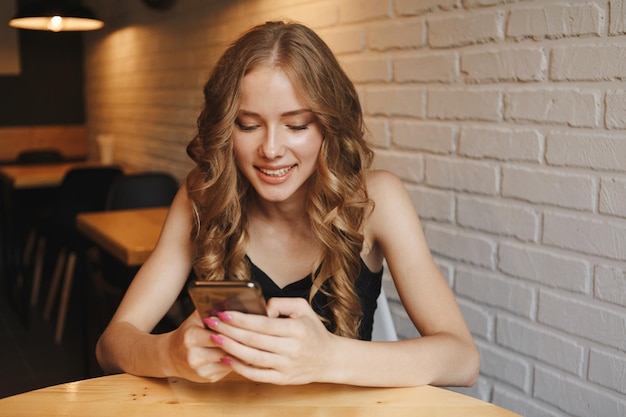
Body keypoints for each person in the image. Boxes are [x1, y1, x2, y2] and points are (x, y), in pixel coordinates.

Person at [96, 20, 479, 387]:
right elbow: (110, 345)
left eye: (296, 125)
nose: (272, 150)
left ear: (330, 125)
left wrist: (330, 357)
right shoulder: (201, 195)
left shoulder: (376, 200)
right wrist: (168, 353)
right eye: (248, 124)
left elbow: (462, 360)